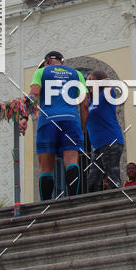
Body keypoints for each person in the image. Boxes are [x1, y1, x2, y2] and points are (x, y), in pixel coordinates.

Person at [19, 51, 88, 200]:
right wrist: (82, 128)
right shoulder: (77, 74)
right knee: (71, 161)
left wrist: (24, 117)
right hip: (71, 120)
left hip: (48, 121)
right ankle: (73, 200)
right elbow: (84, 105)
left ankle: (46, 205)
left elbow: (34, 94)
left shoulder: (41, 72)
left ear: (48, 60)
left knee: (45, 167)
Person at [85, 70, 124, 192]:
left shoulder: (107, 94)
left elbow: (109, 82)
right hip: (97, 147)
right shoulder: (92, 102)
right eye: (87, 80)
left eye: (91, 80)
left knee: (113, 178)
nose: (88, 83)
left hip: (111, 142)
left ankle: (121, 206)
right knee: (92, 182)